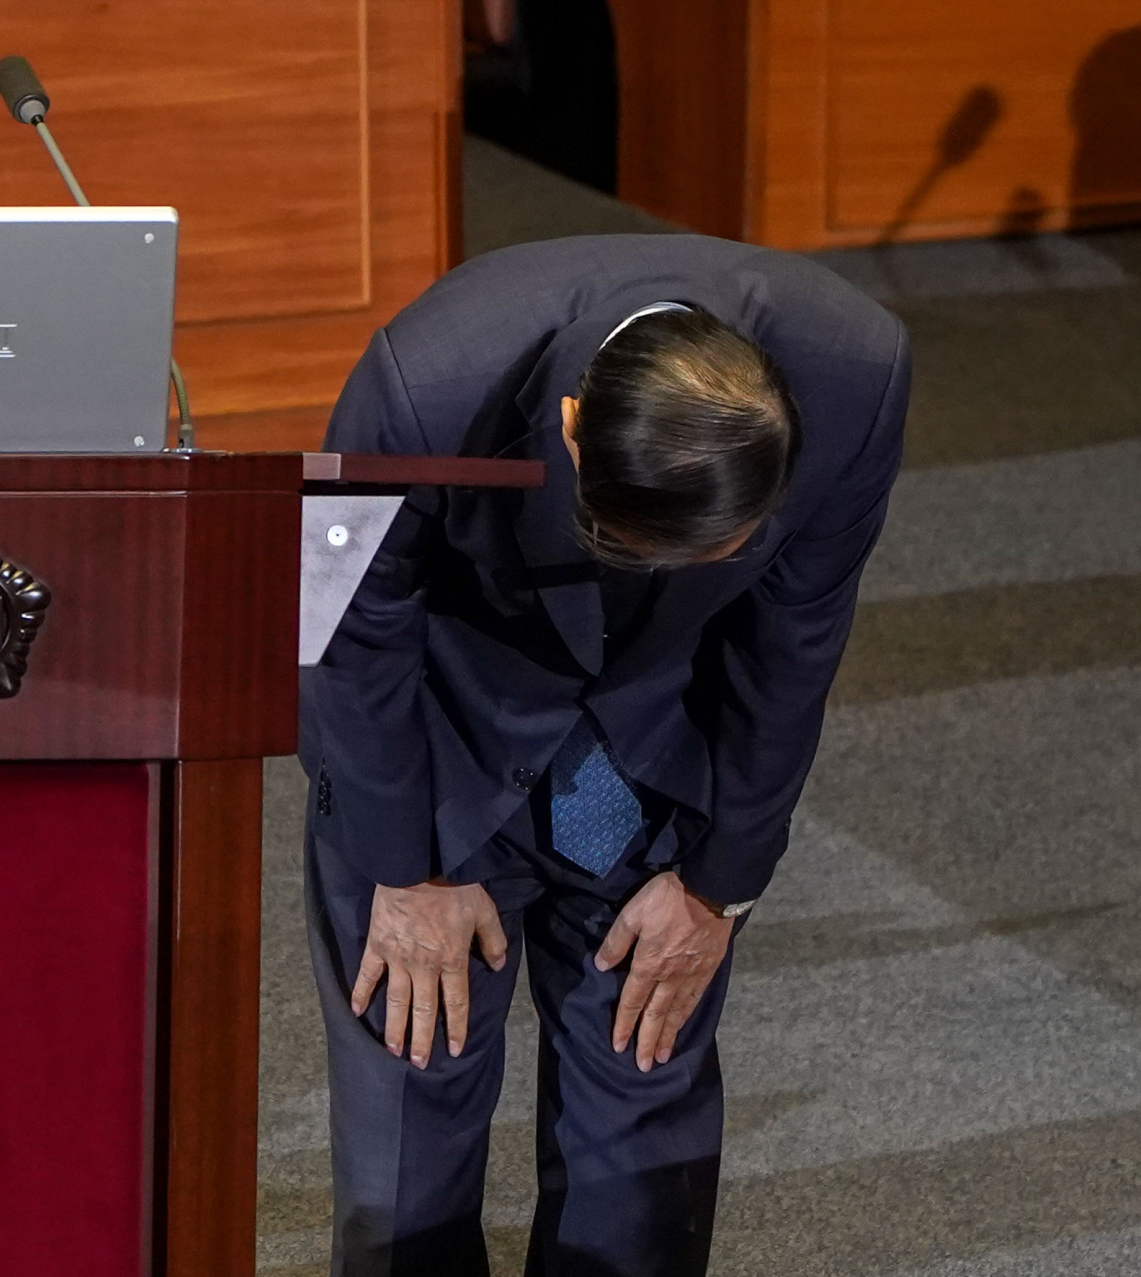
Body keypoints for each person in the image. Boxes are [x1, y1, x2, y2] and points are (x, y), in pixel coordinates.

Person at [298, 233, 910, 1276]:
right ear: (574, 430)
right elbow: (342, 627)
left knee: (642, 1134)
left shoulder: (857, 374)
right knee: (412, 1116)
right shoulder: (423, 380)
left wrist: (720, 888)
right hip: (441, 746)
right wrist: (404, 872)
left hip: (664, 747)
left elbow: (794, 647)